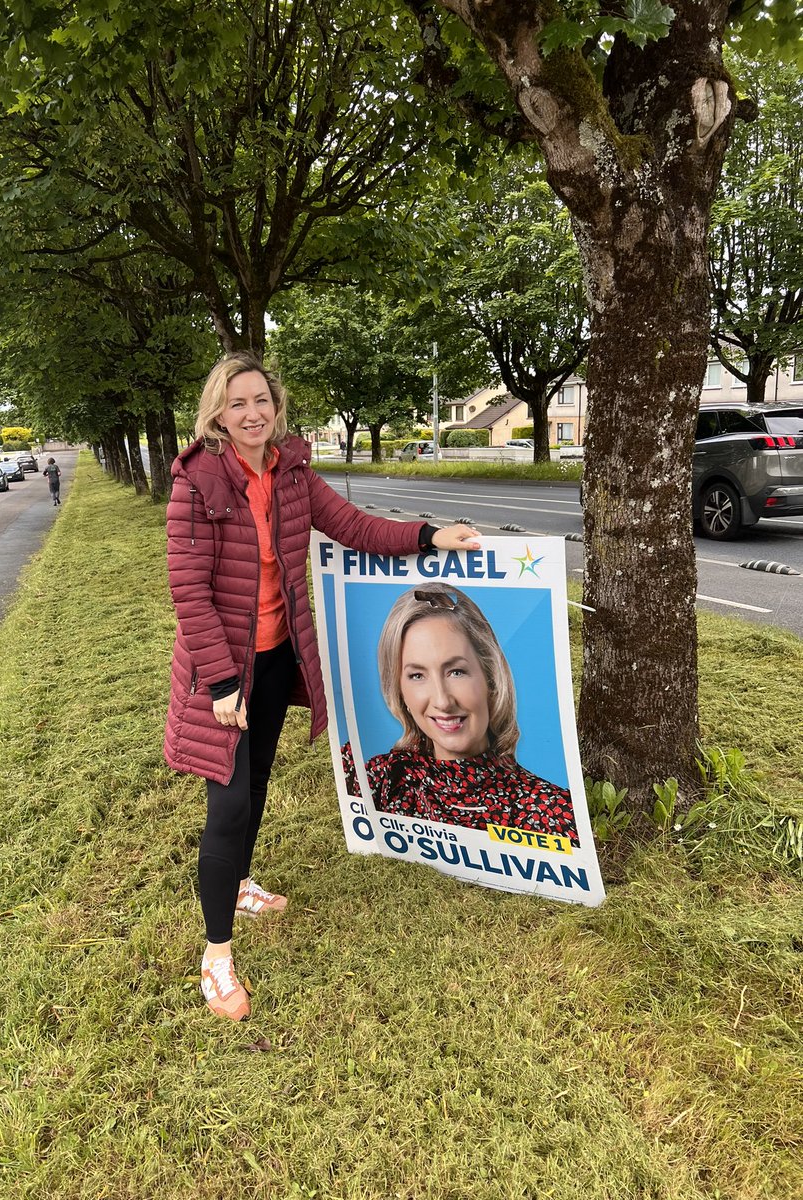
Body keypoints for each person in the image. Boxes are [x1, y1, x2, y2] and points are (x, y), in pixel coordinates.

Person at [164, 351, 480, 1020]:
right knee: (228, 806)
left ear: (276, 408)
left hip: (278, 660)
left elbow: (355, 527)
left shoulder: (292, 472)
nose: (252, 413)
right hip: (225, 673)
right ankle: (216, 957)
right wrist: (222, 682)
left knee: (254, 788)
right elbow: (188, 590)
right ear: (218, 411)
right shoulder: (198, 479)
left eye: (262, 401)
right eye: (238, 402)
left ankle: (241, 885)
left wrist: (429, 534)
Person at [344, 584, 577, 840]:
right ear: (400, 692)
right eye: (417, 675)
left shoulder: (551, 810)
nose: (443, 701)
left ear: (491, 679)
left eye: (456, 672)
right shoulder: (377, 780)